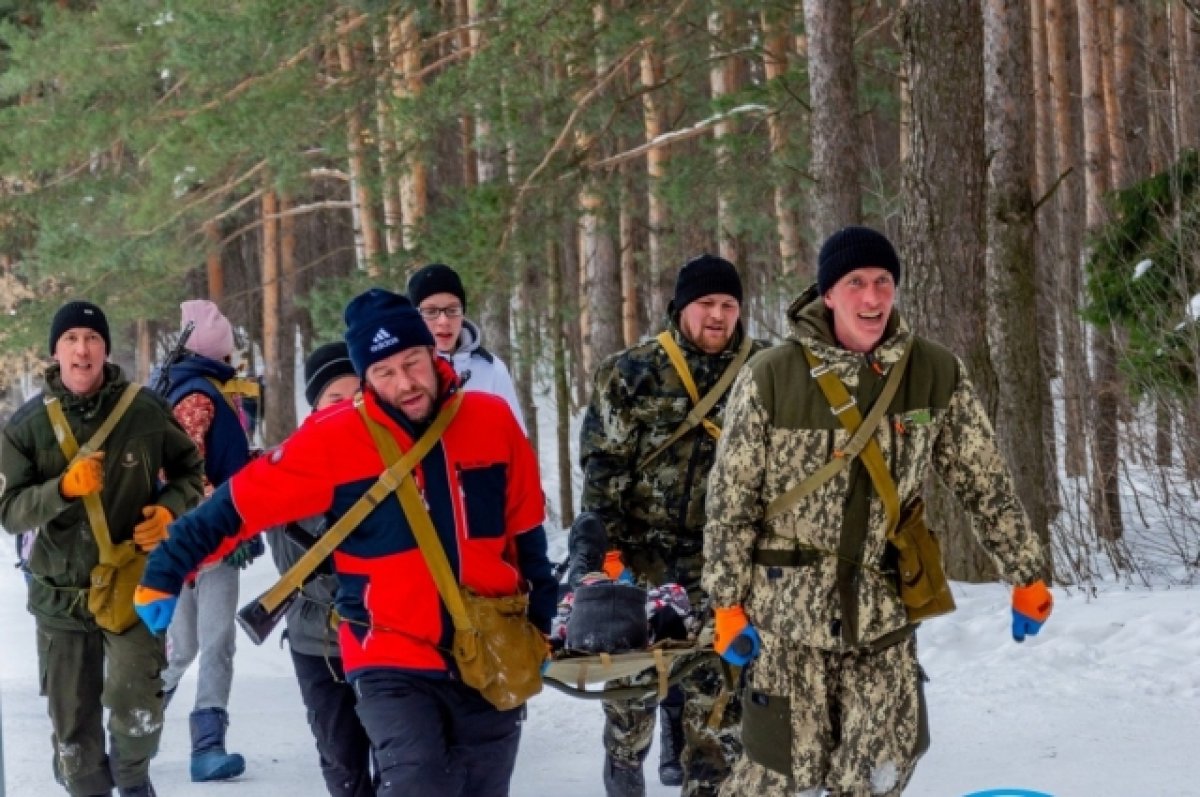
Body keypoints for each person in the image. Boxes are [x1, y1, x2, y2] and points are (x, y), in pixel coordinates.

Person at [133, 288, 557, 797]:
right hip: (390, 651)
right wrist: (166, 568)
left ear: (432, 353)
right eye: (385, 372)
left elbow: (528, 538)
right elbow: (236, 504)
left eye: (412, 362)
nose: (405, 383)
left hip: (490, 649)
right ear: (367, 379)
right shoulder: (335, 437)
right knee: (418, 783)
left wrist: (539, 625)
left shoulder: (491, 421)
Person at [702, 226, 1054, 796]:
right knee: (772, 782)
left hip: (884, 618)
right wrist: (725, 604)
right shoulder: (770, 376)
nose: (872, 298)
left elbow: (984, 480)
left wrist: (1026, 573)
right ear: (828, 294)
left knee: (876, 777)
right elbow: (730, 502)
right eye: (857, 282)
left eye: (884, 282)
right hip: (789, 627)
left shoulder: (934, 371)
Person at [578, 253, 770, 797]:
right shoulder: (631, 371)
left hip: (725, 570)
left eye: (729, 305)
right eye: (706, 304)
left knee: (718, 707)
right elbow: (602, 466)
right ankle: (624, 762)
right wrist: (605, 552)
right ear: (681, 308)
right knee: (632, 696)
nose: (718, 316)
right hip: (642, 565)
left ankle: (705, 777)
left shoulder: (763, 373)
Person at [0, 300, 204, 797]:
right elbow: (10, 512)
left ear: (105, 349)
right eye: (70, 339)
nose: (82, 349)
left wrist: (169, 511)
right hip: (60, 596)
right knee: (74, 734)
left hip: (130, 585)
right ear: (56, 352)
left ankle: (134, 784)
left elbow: (189, 470)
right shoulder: (28, 425)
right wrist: (62, 490)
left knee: (139, 709)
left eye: (91, 339)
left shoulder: (143, 410)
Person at [265, 340, 376, 797]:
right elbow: (286, 558)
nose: (349, 409)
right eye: (336, 399)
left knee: (403, 763)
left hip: (385, 640)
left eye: (359, 397)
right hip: (318, 645)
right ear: (314, 408)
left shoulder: (397, 463)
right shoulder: (286, 468)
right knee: (343, 764)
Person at [158, 299, 260, 782]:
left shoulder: (208, 390)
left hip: (205, 537)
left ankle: (207, 745)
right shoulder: (197, 396)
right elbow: (179, 474)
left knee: (209, 642)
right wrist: (234, 497)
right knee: (188, 645)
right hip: (201, 536)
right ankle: (133, 726)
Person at [406, 262, 527, 433]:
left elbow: (516, 439)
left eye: (452, 309)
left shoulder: (492, 369)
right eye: (431, 311)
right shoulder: (402, 372)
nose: (444, 321)